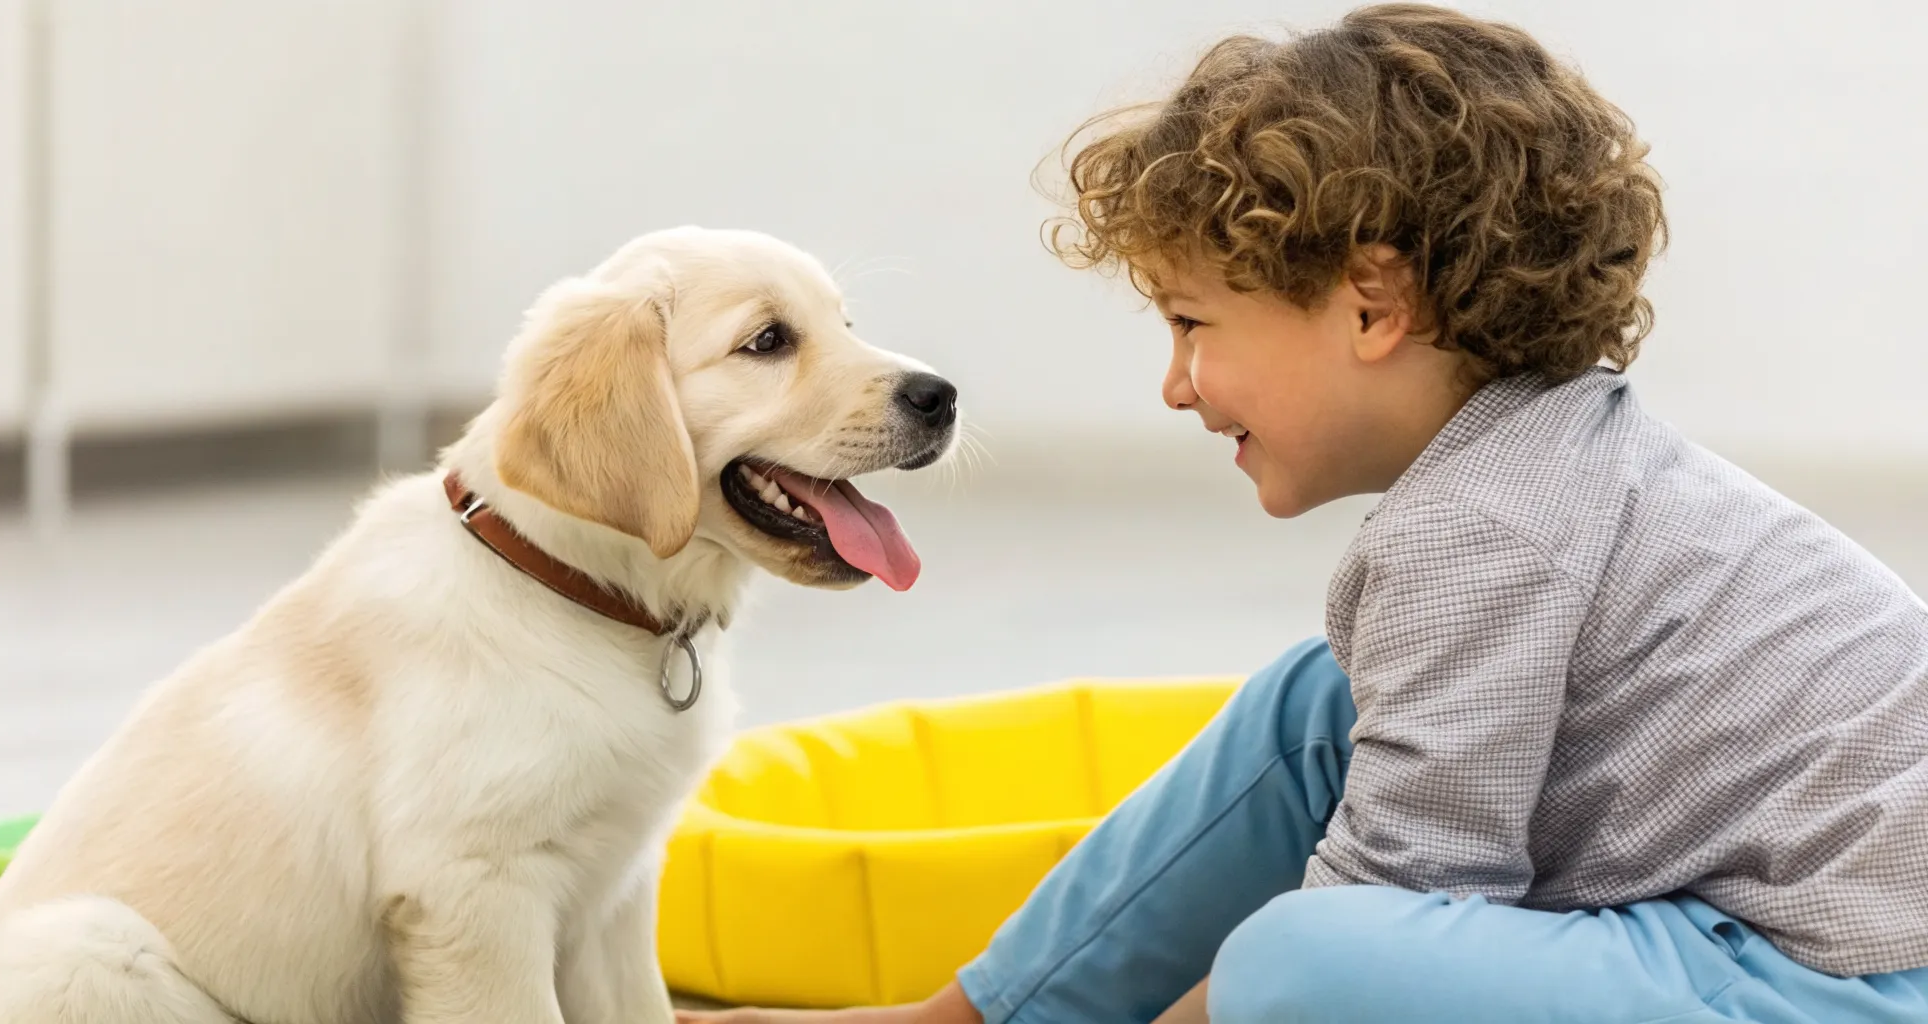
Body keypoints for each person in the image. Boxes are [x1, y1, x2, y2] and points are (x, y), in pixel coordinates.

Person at [681, 5, 1928, 1021]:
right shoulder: (1550, 455)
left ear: (1371, 306)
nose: (1173, 383)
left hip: (1830, 980)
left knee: (1300, 966)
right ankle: (972, 1018)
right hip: (1746, 923)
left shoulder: (1479, 529)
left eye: (1191, 325)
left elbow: (1397, 908)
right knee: (1313, 705)